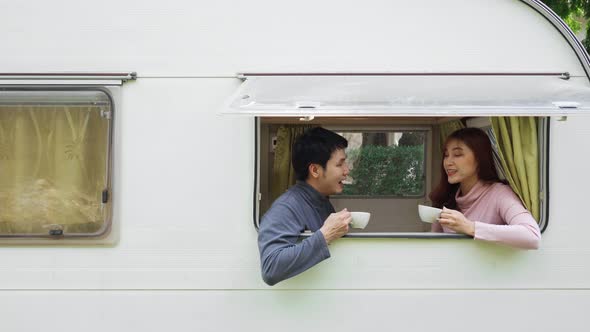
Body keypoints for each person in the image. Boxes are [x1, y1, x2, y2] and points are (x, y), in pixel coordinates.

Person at [258, 127, 352, 286]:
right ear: (315, 170)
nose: (346, 170)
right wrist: (325, 235)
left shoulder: (321, 201)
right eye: (340, 164)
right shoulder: (287, 207)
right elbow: (271, 267)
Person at [429, 127, 541, 249]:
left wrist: (470, 227)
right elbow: (435, 246)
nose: (448, 162)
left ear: (479, 158)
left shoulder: (499, 193)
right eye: (446, 155)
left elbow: (532, 235)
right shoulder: (446, 198)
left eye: (457, 154)